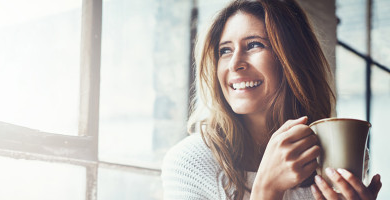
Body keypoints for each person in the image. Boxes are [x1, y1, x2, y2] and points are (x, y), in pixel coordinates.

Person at [161, 0, 382, 199]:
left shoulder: (338, 158)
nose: (234, 63)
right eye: (225, 50)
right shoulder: (189, 163)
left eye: (254, 45)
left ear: (292, 58)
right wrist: (266, 191)